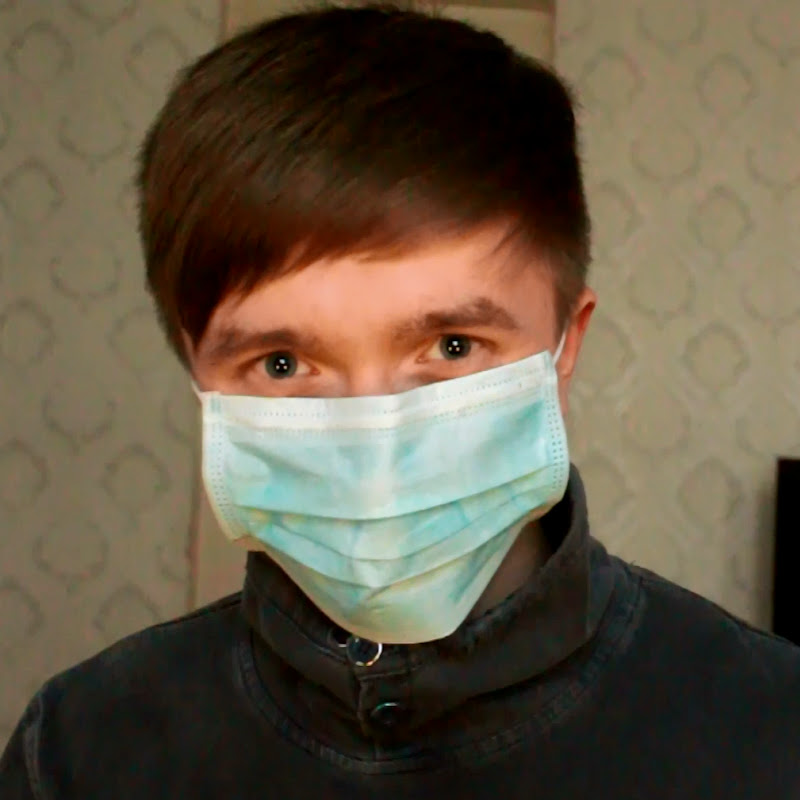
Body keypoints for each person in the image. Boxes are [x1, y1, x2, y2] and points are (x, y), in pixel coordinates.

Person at [2, 4, 798, 797]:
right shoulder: (79, 750)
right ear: (196, 370)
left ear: (566, 345)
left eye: (452, 346)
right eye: (283, 363)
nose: (373, 450)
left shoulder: (772, 731)